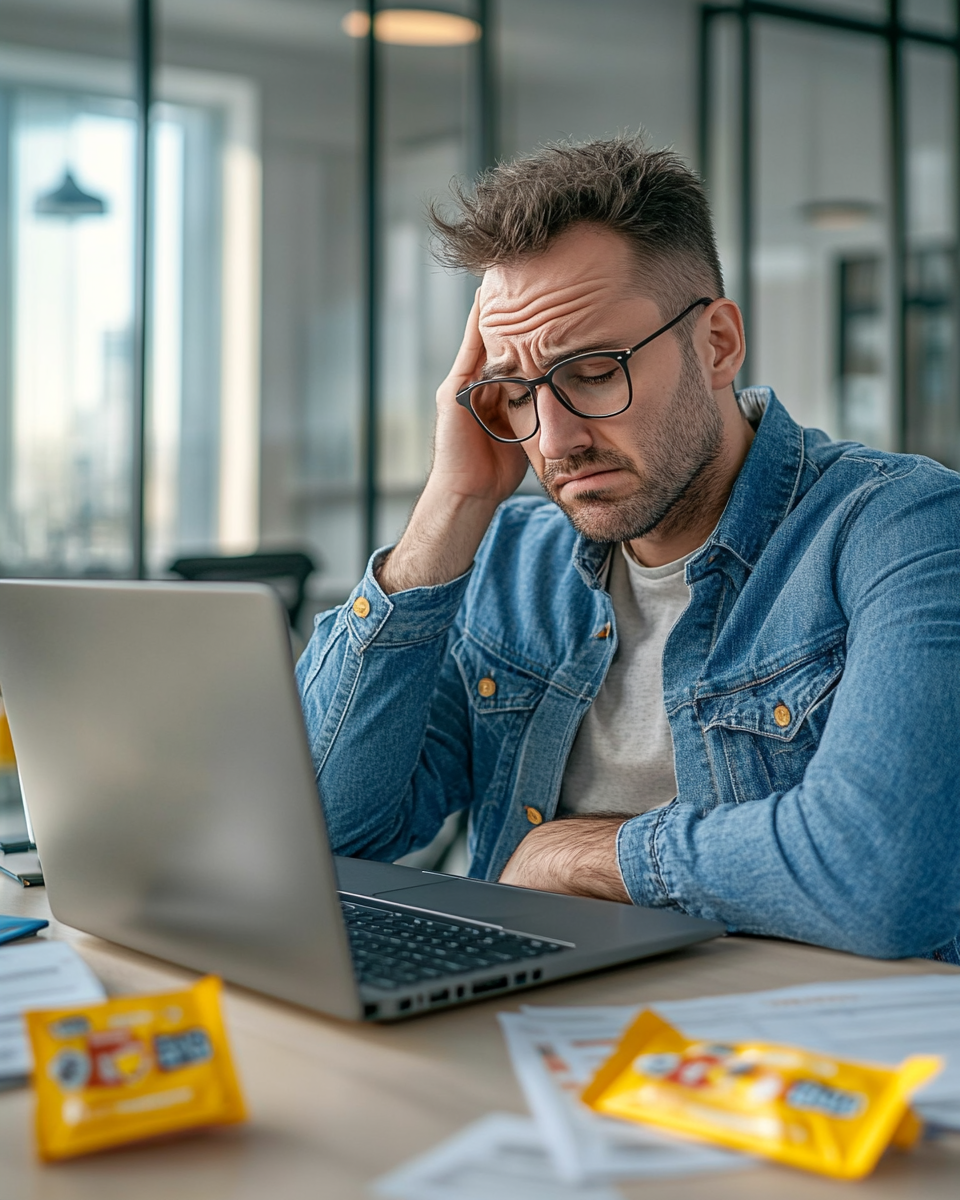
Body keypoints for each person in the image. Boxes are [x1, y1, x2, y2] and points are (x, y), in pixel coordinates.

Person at [297, 136, 960, 964]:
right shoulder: (509, 562)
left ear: (717, 344)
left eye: (594, 370)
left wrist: (582, 855)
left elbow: (885, 873)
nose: (559, 438)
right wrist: (452, 504)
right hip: (540, 1031)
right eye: (516, 392)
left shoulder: (901, 527)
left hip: (801, 1061)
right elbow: (316, 835)